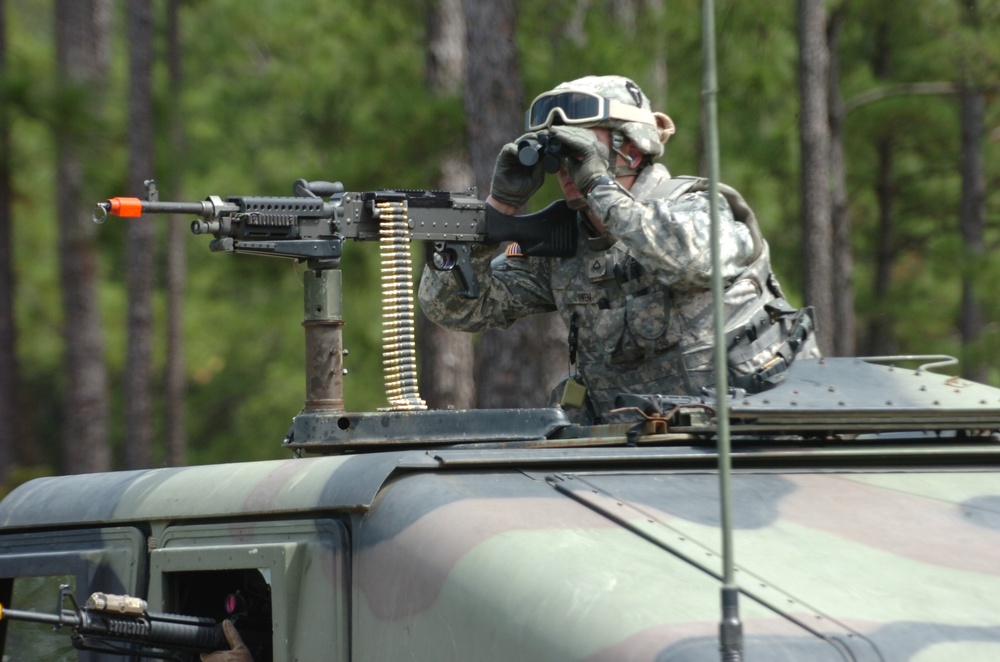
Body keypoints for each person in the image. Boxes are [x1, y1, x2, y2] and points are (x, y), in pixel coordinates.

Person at [419, 75, 818, 422]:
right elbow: (454, 308)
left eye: (582, 151)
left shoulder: (697, 207)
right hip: (633, 457)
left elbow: (689, 261)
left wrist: (598, 185)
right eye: (562, 157)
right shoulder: (567, 242)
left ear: (634, 147)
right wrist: (499, 210)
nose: (567, 170)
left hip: (753, 438)